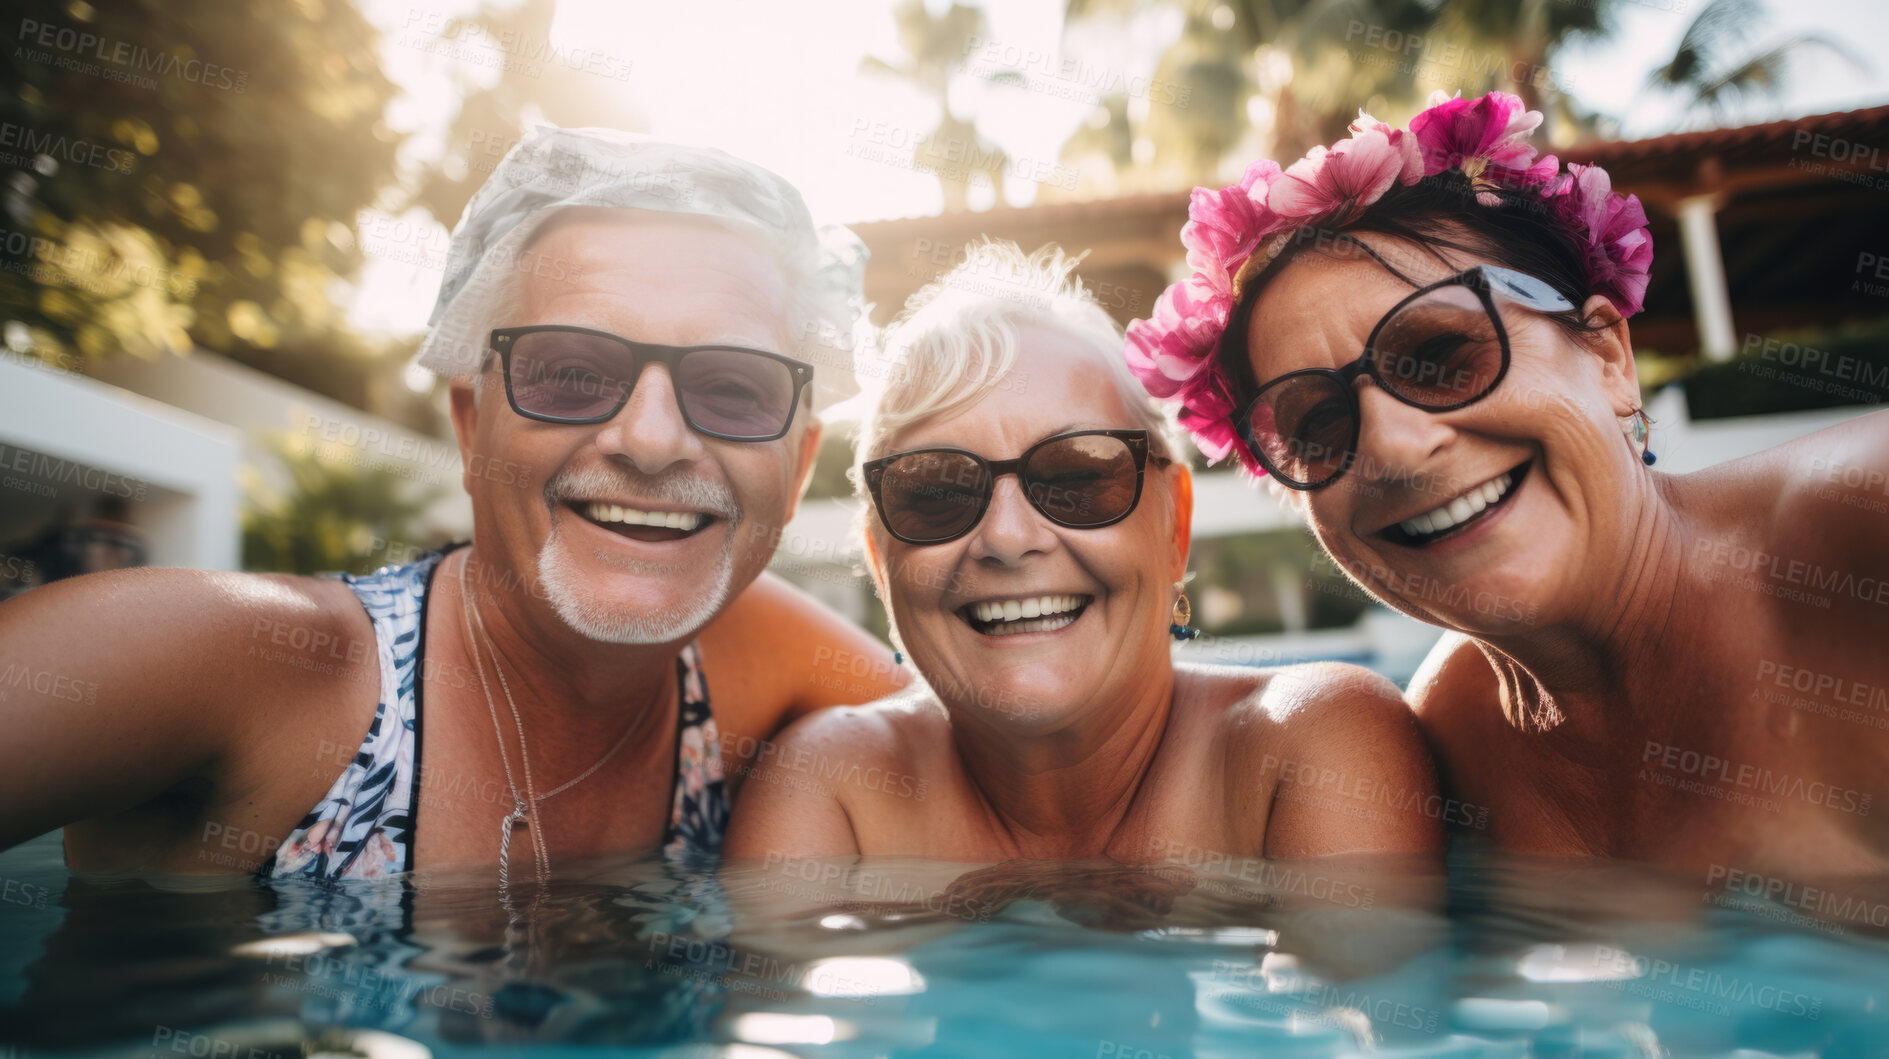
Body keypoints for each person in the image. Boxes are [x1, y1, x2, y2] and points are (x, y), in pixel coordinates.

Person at [0, 127, 905, 882]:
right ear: (471, 429)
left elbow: (1017, 775)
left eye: (735, 386)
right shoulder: (241, 666)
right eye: (572, 372)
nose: (653, 438)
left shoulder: (768, 661)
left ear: (796, 471)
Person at [1123, 91, 1889, 877]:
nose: (1394, 445)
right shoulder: (1442, 741)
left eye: (1446, 354)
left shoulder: (1863, 527)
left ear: (1606, 356)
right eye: (1317, 426)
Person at [725, 242, 1442, 874]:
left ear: (1174, 527)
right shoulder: (830, 790)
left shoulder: (1301, 748)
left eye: (1075, 478)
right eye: (936, 492)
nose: (1008, 537)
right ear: (881, 562)